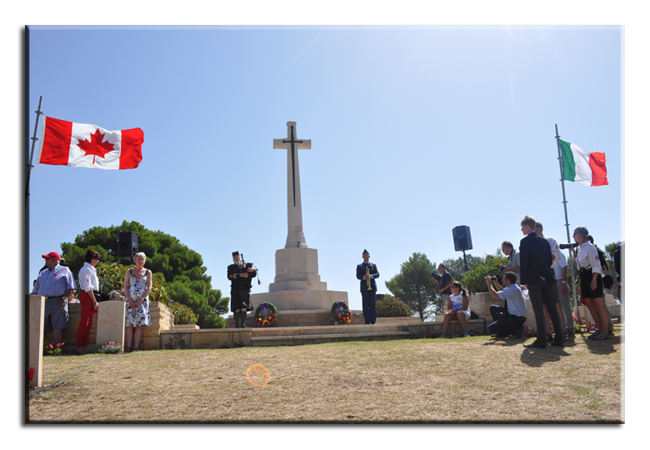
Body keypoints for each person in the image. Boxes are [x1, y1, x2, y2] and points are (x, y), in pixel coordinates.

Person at [519, 215, 563, 349]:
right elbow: (550, 261)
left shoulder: (525, 241)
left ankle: (541, 340)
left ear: (527, 225)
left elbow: (524, 262)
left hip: (534, 279)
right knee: (552, 308)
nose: (521, 230)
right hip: (547, 278)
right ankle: (559, 338)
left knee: (538, 308)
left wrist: (523, 281)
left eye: (522, 227)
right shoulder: (544, 242)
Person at [569, 226, 609, 340]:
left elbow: (596, 264)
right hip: (583, 277)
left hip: (592, 276)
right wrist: (573, 252)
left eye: (575, 233)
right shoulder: (580, 248)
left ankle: (605, 331)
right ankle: (599, 329)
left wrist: (594, 279)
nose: (573, 236)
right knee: (590, 305)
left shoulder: (590, 247)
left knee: (599, 305)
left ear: (581, 235)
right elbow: (578, 265)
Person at [31, 251, 76, 346]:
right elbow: (36, 288)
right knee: (40, 325)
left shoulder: (64, 270)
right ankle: (39, 347)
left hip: (58, 301)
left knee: (58, 325)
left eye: (48, 258)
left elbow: (70, 286)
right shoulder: (43, 272)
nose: (46, 260)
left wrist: (63, 298)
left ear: (55, 260)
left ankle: (57, 347)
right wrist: (36, 301)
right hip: (42, 300)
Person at [534, 222, 566, 339]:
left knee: (555, 303)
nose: (535, 233)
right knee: (542, 305)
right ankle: (547, 333)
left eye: (536, 230)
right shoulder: (531, 242)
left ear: (541, 230)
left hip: (548, 271)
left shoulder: (550, 240)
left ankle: (559, 331)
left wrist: (543, 256)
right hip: (536, 275)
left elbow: (557, 256)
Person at [123, 252, 152, 351]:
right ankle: (128, 347)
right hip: (130, 301)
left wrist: (140, 300)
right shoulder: (129, 271)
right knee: (129, 325)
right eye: (138, 259)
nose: (140, 261)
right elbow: (126, 287)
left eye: (142, 259)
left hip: (142, 302)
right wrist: (130, 299)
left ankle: (136, 347)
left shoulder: (148, 272)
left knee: (139, 325)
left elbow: (149, 288)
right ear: (134, 260)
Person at [485, 272, 527, 338]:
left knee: (491, 328)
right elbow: (501, 290)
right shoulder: (511, 287)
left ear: (508, 280)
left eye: (503, 278)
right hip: (512, 314)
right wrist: (495, 282)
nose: (502, 280)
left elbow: (494, 295)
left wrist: (489, 283)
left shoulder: (513, 289)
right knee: (493, 308)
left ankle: (516, 330)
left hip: (517, 318)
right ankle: (502, 332)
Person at [76, 249, 101, 354]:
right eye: (97, 259)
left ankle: (85, 345)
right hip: (88, 295)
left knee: (89, 322)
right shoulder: (85, 269)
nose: (98, 261)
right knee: (84, 321)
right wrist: (94, 300)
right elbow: (87, 286)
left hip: (92, 294)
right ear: (92, 259)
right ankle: (79, 346)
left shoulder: (92, 269)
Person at [228, 251, 257, 328]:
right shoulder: (230, 267)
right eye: (234, 257)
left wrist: (253, 270)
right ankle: (237, 325)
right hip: (235, 290)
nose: (236, 258)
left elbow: (253, 274)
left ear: (240, 257)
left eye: (237, 257)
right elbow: (230, 277)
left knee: (244, 307)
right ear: (233, 259)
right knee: (237, 308)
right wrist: (241, 275)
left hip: (245, 290)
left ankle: (243, 325)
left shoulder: (246, 266)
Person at [356, 249, 379, 324]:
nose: (366, 256)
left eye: (367, 255)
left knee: (373, 304)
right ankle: (366, 321)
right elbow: (357, 276)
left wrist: (371, 276)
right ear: (362, 257)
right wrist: (364, 277)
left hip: (372, 287)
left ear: (369, 256)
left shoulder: (373, 265)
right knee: (365, 305)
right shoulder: (359, 266)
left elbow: (377, 274)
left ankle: (373, 321)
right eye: (364, 255)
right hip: (364, 287)